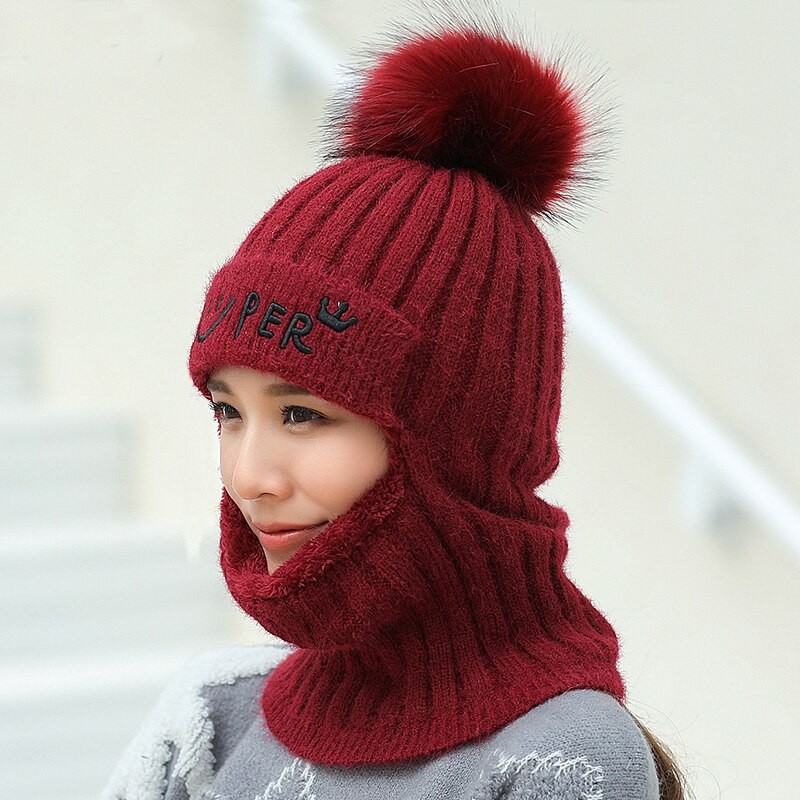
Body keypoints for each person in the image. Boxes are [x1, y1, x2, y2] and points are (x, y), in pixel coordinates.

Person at [102, 8, 690, 800]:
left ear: (458, 441)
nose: (248, 477)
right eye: (227, 411)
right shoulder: (212, 717)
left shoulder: (559, 757)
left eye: (302, 414)